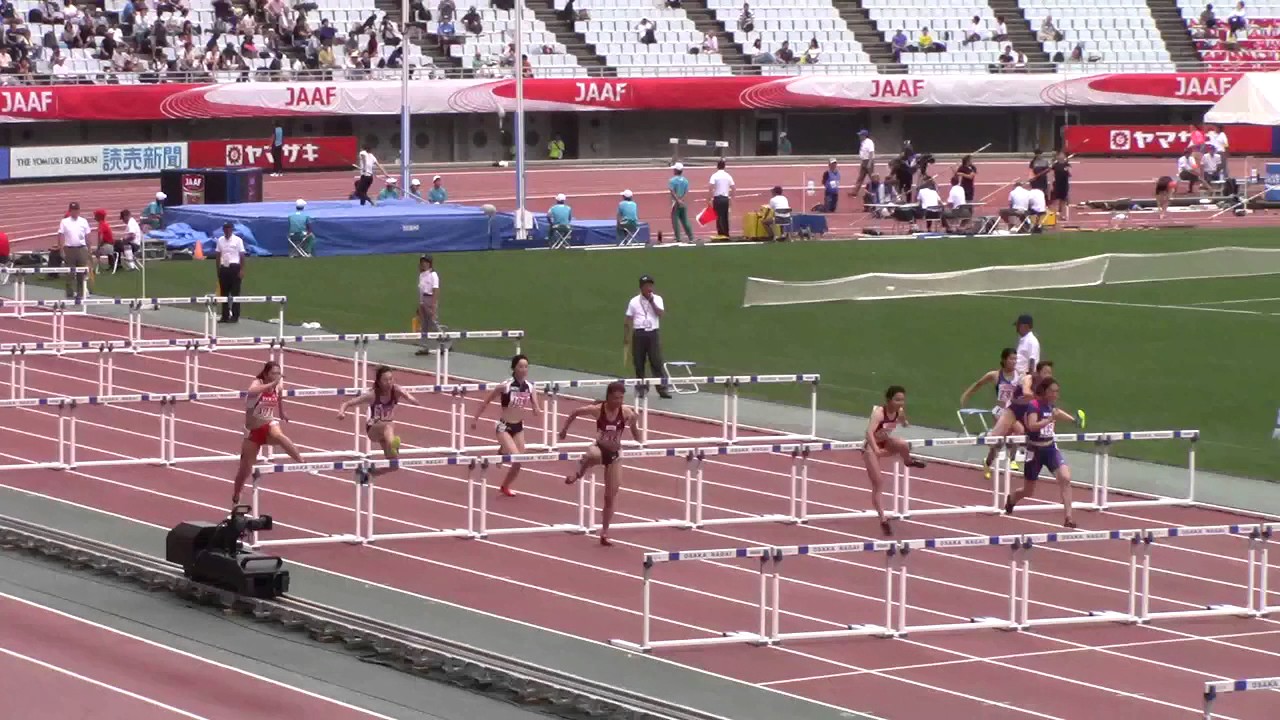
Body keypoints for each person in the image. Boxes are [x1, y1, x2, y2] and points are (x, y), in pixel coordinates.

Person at [559, 381, 642, 546]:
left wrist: (634, 424)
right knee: (593, 453)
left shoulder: (626, 412)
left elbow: (637, 437)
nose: (618, 401)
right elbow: (575, 413)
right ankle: (579, 473)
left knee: (610, 497)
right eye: (615, 398)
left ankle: (604, 532)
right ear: (608, 397)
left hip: (615, 455)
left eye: (621, 398)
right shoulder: (598, 410)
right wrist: (564, 430)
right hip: (599, 449)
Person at [1004, 377, 1084, 528]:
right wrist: (1049, 420)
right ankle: (1012, 498)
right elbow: (1032, 426)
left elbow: (1057, 412)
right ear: (1044, 391)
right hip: (1034, 450)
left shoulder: (1050, 406)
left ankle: (1068, 518)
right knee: (1028, 491)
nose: (1055, 394)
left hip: (1050, 449)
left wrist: (1073, 421)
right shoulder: (1033, 406)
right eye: (1052, 391)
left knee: (1065, 478)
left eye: (1057, 392)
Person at [231, 361, 305, 507]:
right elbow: (252, 391)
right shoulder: (257, 383)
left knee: (280, 437)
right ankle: (236, 494)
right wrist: (271, 384)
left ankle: (302, 463)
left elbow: (279, 398)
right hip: (252, 432)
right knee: (244, 471)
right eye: (273, 373)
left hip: (268, 425)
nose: (277, 376)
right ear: (266, 374)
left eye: (279, 373)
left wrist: (282, 413)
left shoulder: (278, 386)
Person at [471, 354, 543, 495]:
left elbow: (536, 406)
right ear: (514, 368)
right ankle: (503, 449)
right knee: (516, 457)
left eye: (526, 367)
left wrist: (537, 409)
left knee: (520, 461)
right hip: (504, 427)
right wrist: (475, 419)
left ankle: (505, 486)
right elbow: (486, 401)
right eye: (520, 366)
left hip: (518, 428)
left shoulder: (530, 387)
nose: (524, 369)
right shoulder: (505, 386)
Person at [862, 385, 927, 536]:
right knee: (878, 482)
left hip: (885, 443)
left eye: (902, 400)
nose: (900, 403)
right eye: (897, 400)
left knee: (903, 444)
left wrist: (905, 423)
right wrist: (876, 450)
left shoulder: (900, 412)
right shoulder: (879, 413)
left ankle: (908, 461)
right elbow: (868, 433)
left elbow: (903, 420)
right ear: (889, 399)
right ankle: (883, 519)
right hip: (871, 447)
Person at [338, 365, 423, 475]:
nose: (389, 382)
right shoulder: (372, 395)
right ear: (378, 381)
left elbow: (412, 398)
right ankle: (393, 444)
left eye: (391, 379)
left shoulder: (396, 390)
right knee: (389, 425)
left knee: (393, 466)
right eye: (385, 380)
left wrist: (412, 399)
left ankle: (371, 473)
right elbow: (347, 403)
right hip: (373, 427)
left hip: (386, 433)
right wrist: (341, 412)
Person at [959, 348, 1021, 478]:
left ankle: (1000, 461)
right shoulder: (995, 375)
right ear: (1004, 360)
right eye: (1011, 359)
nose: (1014, 361)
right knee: (1008, 434)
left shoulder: (1020, 375)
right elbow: (978, 384)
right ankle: (998, 459)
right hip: (999, 411)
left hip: (1013, 411)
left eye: (1015, 359)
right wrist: (966, 395)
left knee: (1013, 434)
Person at [625, 274, 670, 399]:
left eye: (650, 285)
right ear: (641, 287)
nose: (649, 288)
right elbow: (628, 318)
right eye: (646, 286)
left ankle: (662, 389)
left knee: (656, 361)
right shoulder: (634, 301)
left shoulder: (658, 299)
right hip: (639, 333)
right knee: (639, 362)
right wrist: (627, 335)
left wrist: (652, 302)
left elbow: (660, 313)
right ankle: (641, 388)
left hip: (652, 333)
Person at [56, 202, 91, 298]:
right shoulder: (64, 222)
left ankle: (80, 293)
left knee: (81, 272)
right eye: (72, 210)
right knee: (70, 273)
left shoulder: (84, 221)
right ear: (70, 211)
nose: (74, 212)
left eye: (76, 210)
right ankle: (69, 292)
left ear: (79, 211)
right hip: (69, 249)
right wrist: (61, 248)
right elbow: (61, 235)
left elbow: (87, 236)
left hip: (81, 248)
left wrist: (89, 249)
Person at [215, 221, 246, 324]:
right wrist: (218, 269)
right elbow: (218, 255)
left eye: (229, 228)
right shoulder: (220, 240)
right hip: (224, 268)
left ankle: (235, 315)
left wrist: (241, 269)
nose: (227, 230)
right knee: (224, 293)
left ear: (232, 229)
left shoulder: (238, 240)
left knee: (235, 293)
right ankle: (225, 315)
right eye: (225, 228)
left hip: (234, 267)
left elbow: (242, 255)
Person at [415, 255, 441, 355]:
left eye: (426, 262)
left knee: (433, 323)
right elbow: (421, 291)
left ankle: (444, 343)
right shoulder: (422, 275)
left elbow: (436, 291)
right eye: (422, 262)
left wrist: (433, 306)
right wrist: (420, 304)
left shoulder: (433, 275)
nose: (423, 264)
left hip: (430, 299)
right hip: (424, 300)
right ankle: (425, 347)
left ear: (430, 263)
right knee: (424, 325)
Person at [668, 162, 694, 243]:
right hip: (683, 202)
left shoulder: (672, 180)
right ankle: (691, 237)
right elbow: (686, 192)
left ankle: (678, 237)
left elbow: (672, 191)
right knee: (685, 220)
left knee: (675, 220)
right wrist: (682, 200)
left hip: (675, 203)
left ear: (676, 170)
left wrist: (677, 200)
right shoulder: (685, 181)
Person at [708, 159, 735, 238]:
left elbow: (710, 188)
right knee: (725, 216)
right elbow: (733, 188)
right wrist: (731, 198)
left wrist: (709, 199)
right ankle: (726, 233)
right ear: (724, 166)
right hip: (725, 198)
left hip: (717, 198)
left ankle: (720, 233)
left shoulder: (714, 175)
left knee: (718, 216)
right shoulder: (728, 176)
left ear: (717, 166)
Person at [1050, 152, 1071, 220]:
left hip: (1064, 185)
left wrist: (1067, 169)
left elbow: (1070, 174)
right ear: (1058, 157)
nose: (1061, 156)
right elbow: (1050, 170)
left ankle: (1061, 213)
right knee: (1055, 199)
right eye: (1060, 155)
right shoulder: (1055, 165)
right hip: (1056, 184)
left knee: (1064, 199)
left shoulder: (1066, 164)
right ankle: (1055, 214)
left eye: (1063, 155)